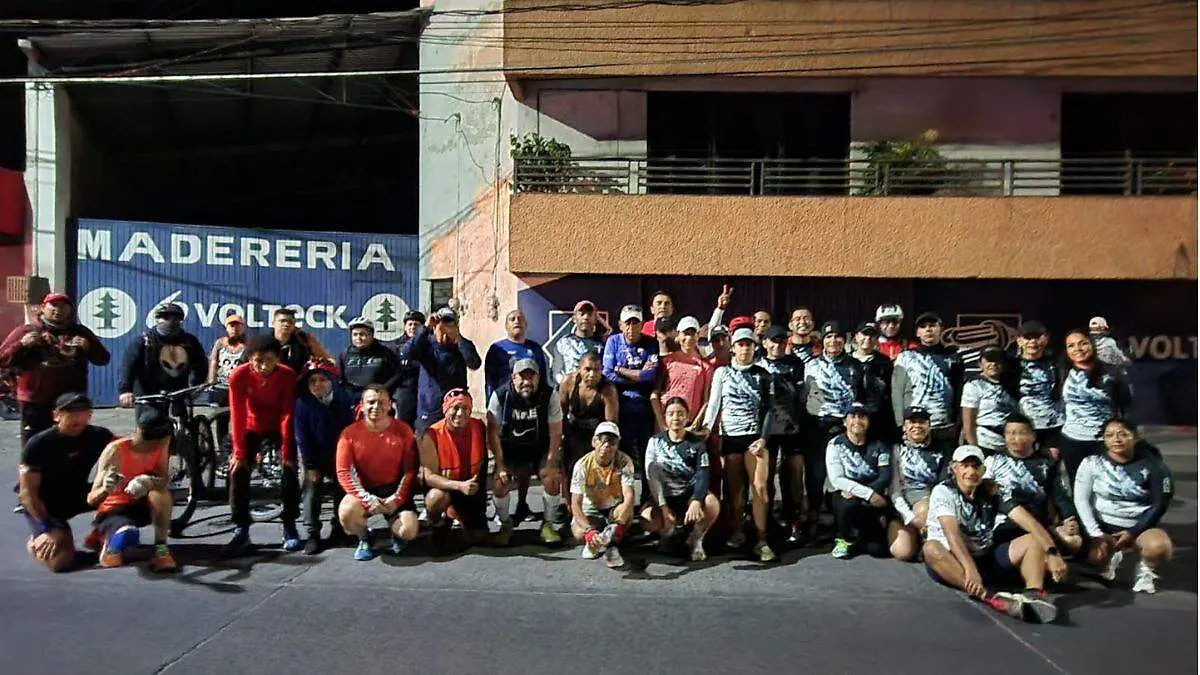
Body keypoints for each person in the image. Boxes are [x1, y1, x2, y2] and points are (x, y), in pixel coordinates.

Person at [922, 445, 1065, 624]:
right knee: (931, 548)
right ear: (954, 468)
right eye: (965, 466)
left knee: (1033, 540)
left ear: (983, 470)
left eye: (975, 466)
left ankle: (1033, 596)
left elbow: (1029, 522)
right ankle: (990, 597)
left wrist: (1053, 553)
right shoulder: (943, 491)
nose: (970, 472)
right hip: (953, 561)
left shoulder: (993, 491)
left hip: (984, 554)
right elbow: (952, 535)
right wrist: (970, 569)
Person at [699, 327, 776, 562]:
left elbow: (769, 409)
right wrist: (706, 429)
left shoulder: (764, 374)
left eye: (749, 344)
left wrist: (763, 438)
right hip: (731, 438)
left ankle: (762, 539)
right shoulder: (722, 372)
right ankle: (737, 529)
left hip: (755, 438)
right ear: (733, 348)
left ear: (754, 347)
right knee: (734, 492)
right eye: (740, 344)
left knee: (760, 487)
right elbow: (714, 404)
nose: (745, 349)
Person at [1, 293, 111, 451]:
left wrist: (89, 347)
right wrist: (21, 344)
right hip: (35, 402)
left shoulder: (80, 333)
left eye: (63, 306)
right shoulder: (26, 331)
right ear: (43, 308)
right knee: (34, 448)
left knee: (69, 448)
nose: (58, 310)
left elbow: (103, 359)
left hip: (70, 402)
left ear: (70, 310)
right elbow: (3, 359)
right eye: (53, 305)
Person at [1075, 418, 1173, 594]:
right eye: (1110, 435)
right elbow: (1081, 500)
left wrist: (1132, 532)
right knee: (1094, 557)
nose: (1117, 439)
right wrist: (1096, 533)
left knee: (1159, 547)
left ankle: (1146, 570)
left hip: (1139, 526)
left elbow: (1160, 504)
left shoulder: (1154, 466)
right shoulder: (1091, 463)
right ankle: (1112, 557)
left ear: (1135, 437)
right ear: (1104, 439)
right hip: (1104, 526)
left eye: (1123, 434)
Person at [18, 393, 114, 572]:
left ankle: (107, 536)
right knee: (60, 563)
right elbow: (27, 494)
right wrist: (45, 528)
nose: (77, 418)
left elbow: (130, 449)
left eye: (82, 413)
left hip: (78, 494)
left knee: (130, 494)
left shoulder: (99, 436)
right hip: (46, 503)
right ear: (56, 415)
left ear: (89, 415)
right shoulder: (38, 444)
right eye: (70, 413)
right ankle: (36, 542)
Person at [225, 335, 300, 552]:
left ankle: (289, 525)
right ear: (250, 358)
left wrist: (287, 453)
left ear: (278, 359)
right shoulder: (239, 375)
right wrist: (239, 453)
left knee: (289, 471)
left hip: (277, 426)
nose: (264, 366)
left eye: (269, 360)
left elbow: (287, 413)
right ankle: (241, 527)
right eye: (258, 361)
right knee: (238, 471)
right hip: (250, 426)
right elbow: (237, 414)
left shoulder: (287, 375)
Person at [87, 409, 178, 572]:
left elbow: (163, 481)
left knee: (161, 495)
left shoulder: (161, 446)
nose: (152, 447)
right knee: (127, 534)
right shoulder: (116, 450)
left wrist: (148, 481)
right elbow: (91, 499)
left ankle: (161, 550)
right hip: (114, 509)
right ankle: (108, 544)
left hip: (140, 504)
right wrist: (106, 488)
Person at [335, 385, 420, 561]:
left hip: (394, 489)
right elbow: (343, 472)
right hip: (365, 489)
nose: (376, 407)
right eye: (371, 402)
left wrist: (397, 499)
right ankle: (365, 538)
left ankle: (396, 533)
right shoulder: (349, 433)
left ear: (390, 405)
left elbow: (410, 470)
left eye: (381, 402)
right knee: (346, 513)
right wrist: (367, 499)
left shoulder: (403, 430)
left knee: (409, 531)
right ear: (362, 405)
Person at [487, 358, 566, 544]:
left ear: (538, 378)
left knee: (552, 479)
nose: (526, 382)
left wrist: (551, 463)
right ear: (513, 378)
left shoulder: (549, 395)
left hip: (539, 447)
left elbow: (556, 432)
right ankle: (505, 524)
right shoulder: (500, 395)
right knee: (499, 482)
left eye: (531, 377)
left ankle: (548, 525)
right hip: (511, 448)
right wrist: (500, 465)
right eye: (522, 377)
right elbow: (492, 433)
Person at [420, 389, 507, 552]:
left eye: (466, 408)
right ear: (446, 410)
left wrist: (500, 468)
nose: (460, 413)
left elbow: (492, 449)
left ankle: (459, 518)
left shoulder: (479, 427)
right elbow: (429, 476)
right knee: (435, 498)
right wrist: (459, 486)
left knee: (478, 538)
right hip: (446, 489)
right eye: (455, 408)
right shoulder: (432, 435)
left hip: (471, 489)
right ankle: (437, 523)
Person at [985, 415, 1083, 561]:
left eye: (1020, 433)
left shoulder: (1047, 464)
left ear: (1033, 436)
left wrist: (1069, 519)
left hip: (1040, 522)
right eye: (1010, 433)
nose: (1014, 438)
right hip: (1005, 523)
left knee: (1074, 541)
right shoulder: (992, 461)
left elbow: (1061, 496)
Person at [801, 320, 865, 536]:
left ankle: (843, 522)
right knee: (816, 474)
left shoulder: (855, 365)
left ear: (844, 340)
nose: (833, 340)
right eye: (829, 336)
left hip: (845, 426)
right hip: (817, 425)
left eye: (838, 336)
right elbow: (804, 397)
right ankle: (813, 516)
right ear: (823, 341)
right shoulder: (811, 365)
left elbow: (861, 396)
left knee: (844, 474)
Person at [643, 398, 720, 562]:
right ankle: (667, 535)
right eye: (671, 414)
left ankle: (696, 539)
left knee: (712, 503)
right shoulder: (654, 442)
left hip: (688, 494)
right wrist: (663, 508)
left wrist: (696, 500)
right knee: (647, 518)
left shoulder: (697, 443)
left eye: (680, 413)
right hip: (665, 496)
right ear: (665, 417)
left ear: (687, 417)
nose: (675, 418)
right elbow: (651, 477)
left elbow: (703, 472)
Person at [294, 363, 356, 555]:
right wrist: (311, 465)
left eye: (323, 379)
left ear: (332, 381)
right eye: (312, 381)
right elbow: (302, 437)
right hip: (314, 454)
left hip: (340, 452)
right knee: (312, 490)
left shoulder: (344, 398)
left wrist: (347, 458)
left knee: (342, 488)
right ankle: (312, 533)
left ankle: (339, 528)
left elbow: (350, 428)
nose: (318, 384)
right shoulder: (303, 404)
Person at [1058, 329, 1134, 480]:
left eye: (1083, 343)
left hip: (1103, 442)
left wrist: (1129, 438)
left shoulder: (1113, 373)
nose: (1078, 349)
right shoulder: (1062, 371)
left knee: (1107, 486)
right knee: (1078, 487)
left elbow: (1126, 408)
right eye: (1071, 346)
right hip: (1071, 442)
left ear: (1092, 344)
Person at [602, 305, 660, 492]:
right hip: (619, 409)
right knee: (619, 456)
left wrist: (620, 370)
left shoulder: (651, 343)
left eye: (635, 323)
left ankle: (647, 497)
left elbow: (649, 376)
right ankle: (620, 497)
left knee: (647, 456)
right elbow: (607, 374)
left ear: (642, 325)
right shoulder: (613, 341)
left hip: (644, 410)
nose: (631, 327)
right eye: (627, 323)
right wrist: (637, 376)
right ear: (620, 324)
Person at [891, 312, 965, 455]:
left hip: (944, 426)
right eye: (923, 326)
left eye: (932, 325)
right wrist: (901, 425)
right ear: (917, 333)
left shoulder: (954, 358)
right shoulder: (905, 357)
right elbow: (896, 392)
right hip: (914, 426)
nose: (928, 329)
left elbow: (960, 393)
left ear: (941, 329)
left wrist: (959, 424)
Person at [757, 325, 806, 540]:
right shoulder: (757, 364)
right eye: (773, 340)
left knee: (793, 475)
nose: (777, 345)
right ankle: (766, 521)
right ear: (765, 342)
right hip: (765, 430)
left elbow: (802, 396)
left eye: (781, 341)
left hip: (791, 428)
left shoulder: (796, 363)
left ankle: (793, 519)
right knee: (766, 477)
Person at [825, 403, 892, 559]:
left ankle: (860, 537)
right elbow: (837, 479)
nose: (857, 421)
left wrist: (865, 493)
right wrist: (868, 494)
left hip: (871, 495)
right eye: (852, 417)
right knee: (846, 503)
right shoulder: (834, 444)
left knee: (878, 551)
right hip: (845, 495)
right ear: (845, 422)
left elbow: (884, 476)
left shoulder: (880, 445)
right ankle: (843, 538)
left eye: (862, 417)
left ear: (868, 421)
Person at [571, 421, 638, 569]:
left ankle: (612, 540)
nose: (606, 445)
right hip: (591, 508)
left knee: (626, 512)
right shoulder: (582, 465)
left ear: (617, 445)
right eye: (602, 440)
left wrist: (620, 523)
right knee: (578, 533)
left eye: (612, 441)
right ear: (594, 441)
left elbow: (629, 496)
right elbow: (575, 503)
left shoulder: (624, 461)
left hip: (614, 507)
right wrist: (588, 531)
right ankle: (596, 539)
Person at [117, 303, 207, 412]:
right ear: (157, 319)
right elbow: (128, 366)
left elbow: (201, 364)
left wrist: (195, 385)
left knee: (181, 417)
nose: (171, 322)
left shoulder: (189, 341)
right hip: (149, 391)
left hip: (179, 390)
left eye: (175, 319)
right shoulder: (144, 341)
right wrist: (125, 390)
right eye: (166, 318)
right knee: (150, 419)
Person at [407, 307, 482, 435]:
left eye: (449, 323)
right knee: (427, 444)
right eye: (441, 323)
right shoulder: (426, 344)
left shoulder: (462, 345)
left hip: (456, 410)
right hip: (430, 409)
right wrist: (425, 328)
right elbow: (407, 353)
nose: (445, 327)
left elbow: (474, 364)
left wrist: (458, 337)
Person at [887, 407, 947, 561]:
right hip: (902, 505)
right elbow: (894, 491)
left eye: (922, 422)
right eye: (912, 422)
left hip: (929, 504)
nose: (917, 426)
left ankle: (930, 546)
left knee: (925, 507)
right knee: (902, 552)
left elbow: (943, 486)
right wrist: (910, 517)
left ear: (929, 425)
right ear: (904, 426)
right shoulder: (896, 449)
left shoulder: (941, 450)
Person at [560, 352, 618, 501]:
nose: (592, 374)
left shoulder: (608, 390)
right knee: (567, 466)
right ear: (579, 368)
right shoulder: (568, 382)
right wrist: (561, 438)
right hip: (573, 431)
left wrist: (602, 446)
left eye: (597, 370)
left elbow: (611, 426)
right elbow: (560, 414)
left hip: (596, 435)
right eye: (587, 369)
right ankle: (568, 504)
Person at [653, 316, 713, 431]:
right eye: (685, 333)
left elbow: (706, 400)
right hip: (666, 421)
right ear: (678, 335)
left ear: (698, 335)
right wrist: (661, 424)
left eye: (692, 333)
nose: (689, 338)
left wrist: (694, 426)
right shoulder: (667, 361)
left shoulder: (706, 367)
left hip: (689, 424)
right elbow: (655, 394)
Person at [1013, 321, 1063, 459]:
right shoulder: (1011, 365)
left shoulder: (1057, 363)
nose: (1033, 342)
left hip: (1053, 424)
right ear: (1019, 341)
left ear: (1046, 339)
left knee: (1053, 459)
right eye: (1028, 338)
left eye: (1037, 337)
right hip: (1024, 424)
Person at [960, 346, 1019, 455]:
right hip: (985, 443)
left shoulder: (1012, 386)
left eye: (998, 360)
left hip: (1009, 445)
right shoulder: (973, 385)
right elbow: (968, 422)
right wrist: (975, 450)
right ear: (980, 363)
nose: (993, 364)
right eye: (989, 360)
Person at [485, 309, 548, 398]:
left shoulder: (535, 348)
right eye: (512, 319)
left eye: (520, 319)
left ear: (525, 325)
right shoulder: (496, 349)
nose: (517, 321)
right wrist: (491, 402)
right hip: (505, 398)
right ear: (506, 326)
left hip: (531, 397)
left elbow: (543, 377)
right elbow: (490, 381)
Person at [852, 321, 896, 444]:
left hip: (878, 420)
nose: (868, 338)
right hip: (853, 419)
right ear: (856, 336)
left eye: (872, 335)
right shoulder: (847, 361)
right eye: (864, 334)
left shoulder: (885, 362)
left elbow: (891, 393)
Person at [338, 317, 402, 401]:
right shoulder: (345, 355)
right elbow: (340, 380)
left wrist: (382, 390)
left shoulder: (386, 353)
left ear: (371, 335)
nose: (358, 338)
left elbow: (397, 375)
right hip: (352, 402)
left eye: (362, 334)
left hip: (377, 400)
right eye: (355, 334)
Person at [550, 300, 606, 386]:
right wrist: (568, 385)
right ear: (574, 318)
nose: (586, 317)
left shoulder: (603, 344)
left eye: (590, 314)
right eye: (582, 314)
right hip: (569, 389)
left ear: (595, 319)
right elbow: (556, 373)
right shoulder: (563, 343)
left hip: (595, 390)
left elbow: (605, 371)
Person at [271, 307, 334, 376]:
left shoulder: (304, 340)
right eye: (282, 321)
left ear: (294, 324)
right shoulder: (265, 343)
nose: (286, 324)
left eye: (290, 322)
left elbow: (328, 361)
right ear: (273, 323)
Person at [391, 310, 425, 427]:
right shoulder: (396, 346)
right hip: (404, 392)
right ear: (405, 326)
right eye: (410, 324)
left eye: (416, 324)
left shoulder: (429, 343)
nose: (412, 327)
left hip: (424, 391)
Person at [206, 313, 246, 407]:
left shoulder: (247, 345)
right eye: (232, 326)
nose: (235, 329)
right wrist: (211, 380)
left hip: (238, 388)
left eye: (238, 326)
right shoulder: (220, 343)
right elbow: (213, 361)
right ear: (226, 328)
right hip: (220, 386)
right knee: (219, 414)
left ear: (242, 328)